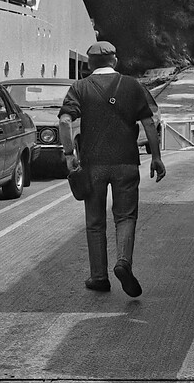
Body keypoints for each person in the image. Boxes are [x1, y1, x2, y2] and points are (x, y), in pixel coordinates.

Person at [58, 41, 165, 297]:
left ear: (88, 65)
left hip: (93, 165)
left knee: (95, 222)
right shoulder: (131, 85)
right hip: (127, 163)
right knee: (125, 216)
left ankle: (99, 277)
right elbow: (149, 123)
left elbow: (64, 121)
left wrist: (69, 154)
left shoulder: (80, 87)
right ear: (115, 61)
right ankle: (123, 262)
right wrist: (157, 157)